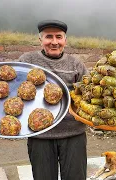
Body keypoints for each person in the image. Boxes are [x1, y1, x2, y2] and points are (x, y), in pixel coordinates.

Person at [18, 20, 88, 180]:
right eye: (49, 37)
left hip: (73, 133)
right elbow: (15, 90)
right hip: (40, 136)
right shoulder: (27, 60)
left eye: (59, 37)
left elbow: (89, 93)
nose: (54, 42)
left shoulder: (76, 64)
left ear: (65, 40)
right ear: (40, 40)